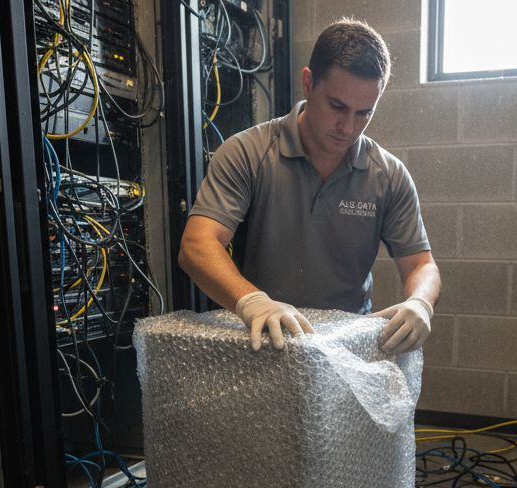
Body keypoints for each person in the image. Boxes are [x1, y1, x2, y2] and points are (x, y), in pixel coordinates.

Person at [178, 18, 441, 354]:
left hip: (346, 349)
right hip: (264, 340)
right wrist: (251, 300)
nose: (348, 127)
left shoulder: (387, 174)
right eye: (337, 107)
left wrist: (420, 303)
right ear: (308, 83)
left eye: (364, 113)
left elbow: (421, 263)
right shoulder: (248, 153)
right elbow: (197, 244)